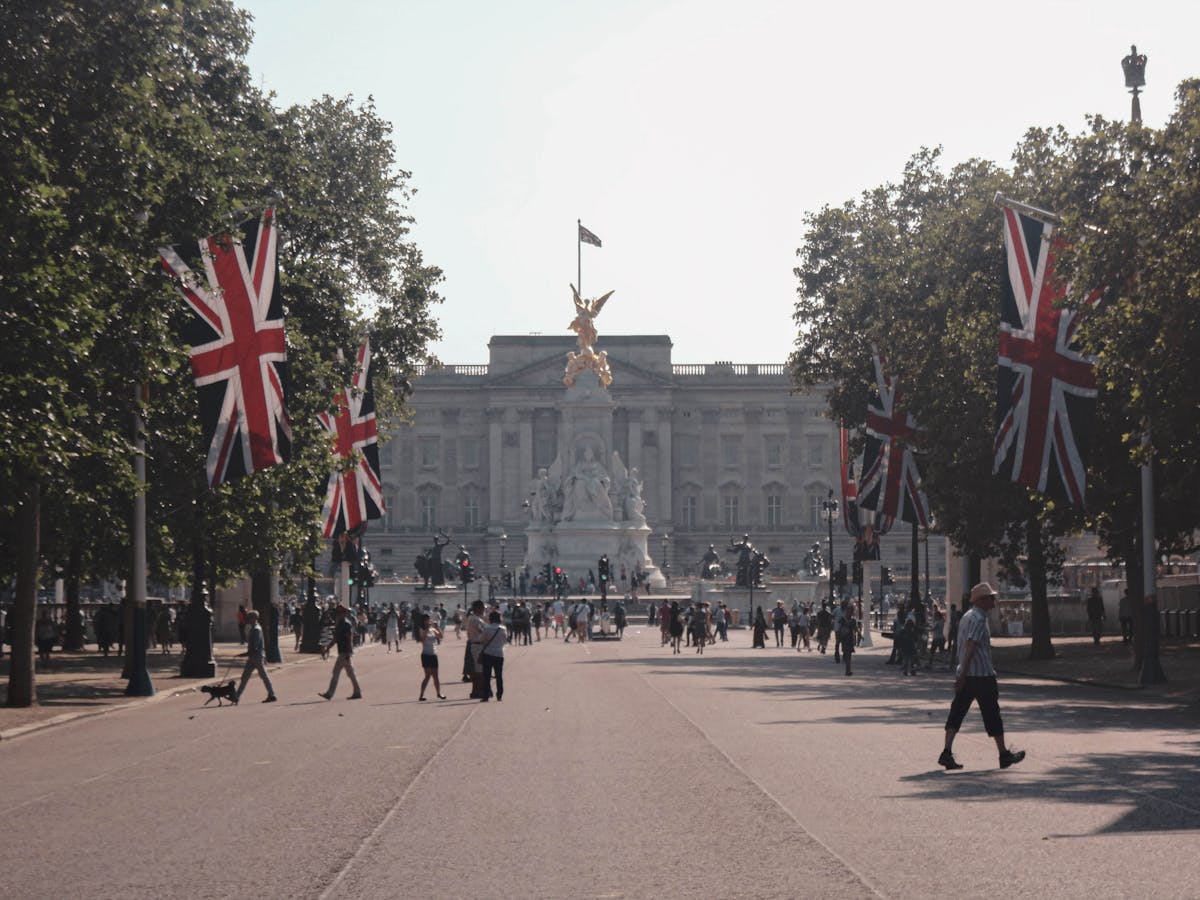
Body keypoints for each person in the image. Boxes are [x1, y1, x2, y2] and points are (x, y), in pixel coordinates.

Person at [939, 582, 1025, 771]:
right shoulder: (978, 618)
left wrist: (961, 671)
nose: (993, 600)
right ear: (981, 600)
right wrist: (964, 672)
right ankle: (1003, 754)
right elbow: (971, 644)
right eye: (990, 597)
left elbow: (962, 646)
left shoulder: (966, 617)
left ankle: (946, 751)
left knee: (957, 713)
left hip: (967, 673)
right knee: (992, 714)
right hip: (981, 674)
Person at [318, 602, 362, 700]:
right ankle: (357, 691)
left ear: (343, 614)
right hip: (344, 651)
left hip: (344, 652)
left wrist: (348, 652)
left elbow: (347, 639)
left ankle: (330, 693)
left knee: (336, 672)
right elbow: (336, 639)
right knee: (350, 673)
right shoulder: (342, 623)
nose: (337, 615)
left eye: (339, 613)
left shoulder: (344, 624)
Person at [236, 609, 276, 703]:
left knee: (263, 676)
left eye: (249, 618)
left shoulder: (257, 629)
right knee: (245, 677)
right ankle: (237, 696)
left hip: (256, 657)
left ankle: (272, 694)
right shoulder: (254, 628)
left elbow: (255, 647)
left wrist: (245, 654)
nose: (248, 619)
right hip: (253, 657)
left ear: (254, 618)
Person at [478, 610, 508, 701]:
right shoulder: (503, 629)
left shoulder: (487, 628)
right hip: (499, 653)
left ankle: (486, 695)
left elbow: (481, 639)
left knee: (486, 675)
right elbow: (505, 640)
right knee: (499, 675)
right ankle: (499, 695)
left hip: (488, 653)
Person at [416, 612, 446, 701]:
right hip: (426, 654)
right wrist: (427, 629)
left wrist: (437, 627)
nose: (428, 621)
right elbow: (422, 640)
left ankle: (439, 693)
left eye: (429, 619)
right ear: (423, 621)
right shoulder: (421, 629)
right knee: (428, 675)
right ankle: (421, 695)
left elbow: (441, 636)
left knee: (436, 675)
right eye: (426, 619)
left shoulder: (433, 629)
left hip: (433, 654)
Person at [465, 599, 487, 698]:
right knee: (479, 670)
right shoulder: (476, 620)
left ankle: (476, 690)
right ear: (478, 609)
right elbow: (483, 632)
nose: (484, 610)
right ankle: (479, 690)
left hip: (475, 644)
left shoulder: (473, 618)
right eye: (482, 608)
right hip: (478, 645)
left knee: (477, 670)